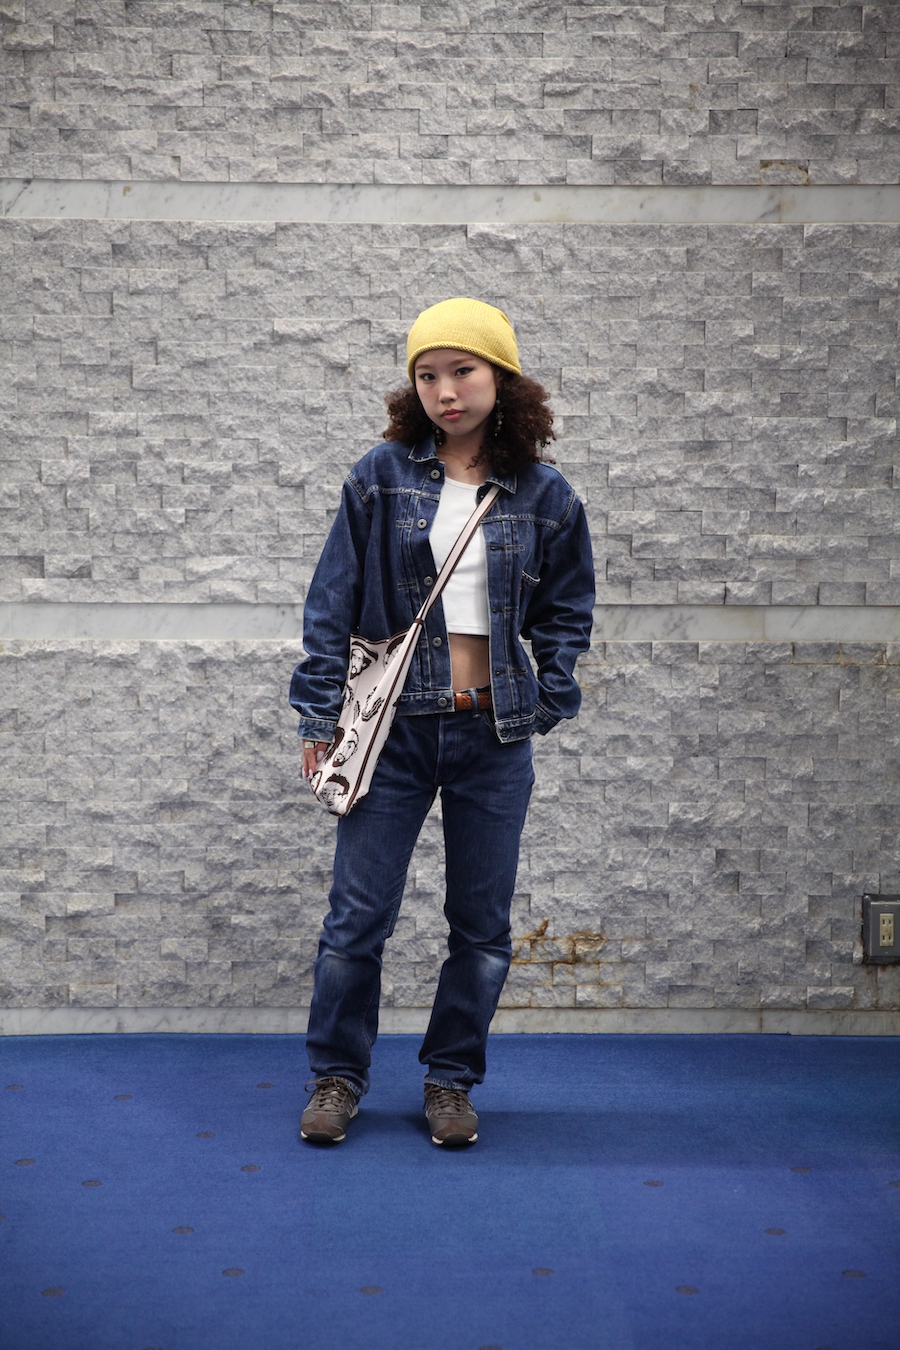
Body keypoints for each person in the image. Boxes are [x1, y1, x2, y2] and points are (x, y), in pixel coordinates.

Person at [289, 298, 594, 1147]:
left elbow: (567, 610)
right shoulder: (379, 477)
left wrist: (547, 697)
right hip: (393, 736)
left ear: (502, 378)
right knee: (356, 921)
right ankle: (337, 1077)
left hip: (492, 737)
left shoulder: (546, 495)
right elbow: (331, 602)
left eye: (463, 370)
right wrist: (318, 711)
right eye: (427, 375)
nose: (445, 390)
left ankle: (451, 1082)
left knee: (482, 930)